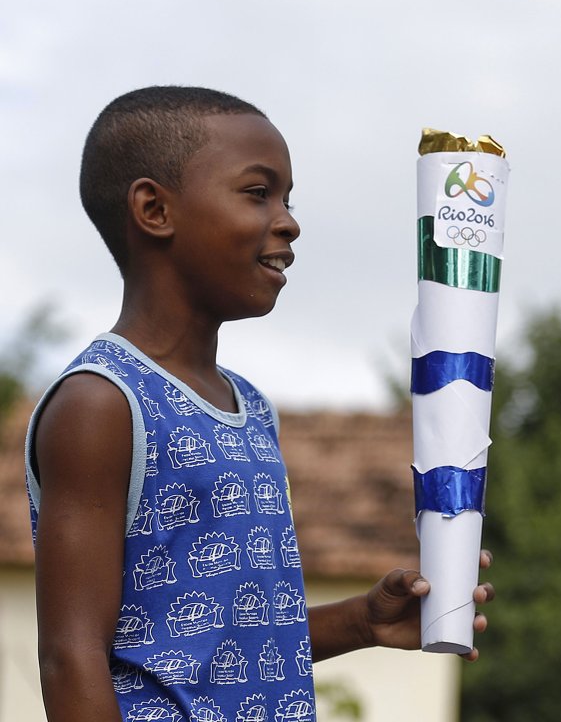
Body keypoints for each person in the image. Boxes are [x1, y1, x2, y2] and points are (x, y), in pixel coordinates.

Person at [24, 86, 493, 722]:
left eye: (288, 199)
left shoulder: (250, 406)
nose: (289, 221)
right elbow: (71, 657)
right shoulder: (101, 405)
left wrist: (364, 620)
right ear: (154, 210)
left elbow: (236, 642)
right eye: (257, 192)